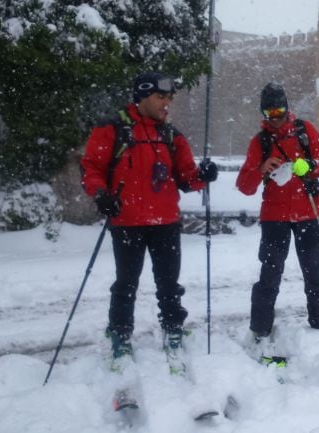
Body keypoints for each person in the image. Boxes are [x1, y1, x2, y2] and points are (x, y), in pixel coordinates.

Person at [80, 71, 218, 360]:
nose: (167, 102)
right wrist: (101, 194)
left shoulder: (170, 134)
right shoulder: (113, 128)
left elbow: (186, 177)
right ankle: (119, 332)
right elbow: (91, 168)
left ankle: (173, 327)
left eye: (169, 97)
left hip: (165, 221)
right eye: (161, 96)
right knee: (126, 283)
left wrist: (203, 176)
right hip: (127, 221)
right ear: (142, 96)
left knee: (169, 283)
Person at [236, 82, 319, 352]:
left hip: (309, 212)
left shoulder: (305, 131)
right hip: (275, 216)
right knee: (270, 274)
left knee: (314, 271)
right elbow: (244, 186)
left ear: (287, 108)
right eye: (269, 113)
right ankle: (260, 329)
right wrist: (261, 169)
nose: (275, 117)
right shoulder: (260, 142)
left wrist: (311, 165)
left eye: (279, 110)